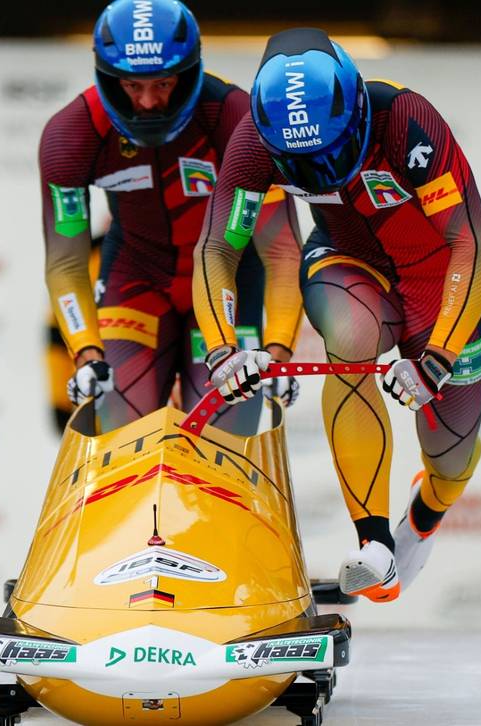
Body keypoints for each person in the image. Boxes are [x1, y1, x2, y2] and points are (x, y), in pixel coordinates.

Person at [193, 28, 481, 602]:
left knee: (452, 461)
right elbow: (218, 249)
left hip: (441, 280)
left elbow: (472, 244)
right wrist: (222, 347)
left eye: (333, 151)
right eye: (304, 163)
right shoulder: (254, 142)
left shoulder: (405, 121)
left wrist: (437, 359)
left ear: (355, 108)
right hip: (348, 260)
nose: (324, 169)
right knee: (350, 333)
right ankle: (375, 544)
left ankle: (422, 519)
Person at [40, 0, 303, 435]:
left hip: (227, 283)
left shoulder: (239, 120)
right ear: (108, 79)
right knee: (121, 427)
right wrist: (87, 353)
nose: (147, 102)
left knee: (221, 439)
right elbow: (66, 263)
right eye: (131, 86)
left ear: (188, 74)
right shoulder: (71, 134)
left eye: (162, 84)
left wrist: (278, 352)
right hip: (137, 279)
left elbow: (281, 251)